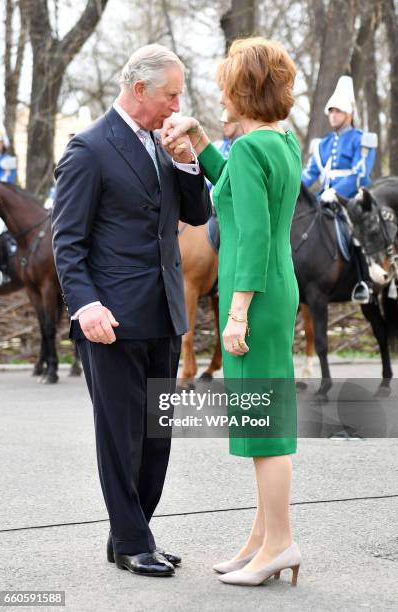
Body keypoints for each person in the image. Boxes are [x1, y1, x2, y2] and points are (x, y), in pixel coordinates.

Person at [51, 44, 211, 578]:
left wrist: (187, 161)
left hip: (165, 313)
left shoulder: (165, 143)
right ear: (138, 89)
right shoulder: (88, 149)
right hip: (110, 322)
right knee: (121, 437)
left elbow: (197, 213)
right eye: (171, 95)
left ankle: (131, 533)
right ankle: (132, 538)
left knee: (157, 438)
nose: (176, 105)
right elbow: (66, 243)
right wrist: (85, 305)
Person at [163, 37, 302, 587]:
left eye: (226, 85)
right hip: (277, 289)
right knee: (264, 426)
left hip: (255, 294)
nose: (220, 95)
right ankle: (263, 539)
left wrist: (237, 311)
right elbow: (237, 192)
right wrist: (202, 143)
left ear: (242, 89)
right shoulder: (280, 142)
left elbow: (254, 237)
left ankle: (281, 544)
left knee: (265, 432)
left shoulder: (250, 149)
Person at [302, 75, 377, 303]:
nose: (333, 115)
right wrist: (290, 189)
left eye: (338, 111)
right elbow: (309, 174)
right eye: (331, 111)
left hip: (352, 197)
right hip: (323, 198)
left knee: (355, 231)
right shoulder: (322, 144)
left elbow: (360, 174)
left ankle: (364, 281)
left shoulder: (362, 139)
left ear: (349, 114)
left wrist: (335, 191)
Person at [0, 128, 17, 285]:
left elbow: (4, 184)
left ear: (3, 144)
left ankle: (3, 271)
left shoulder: (8, 161)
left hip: (2, 204)